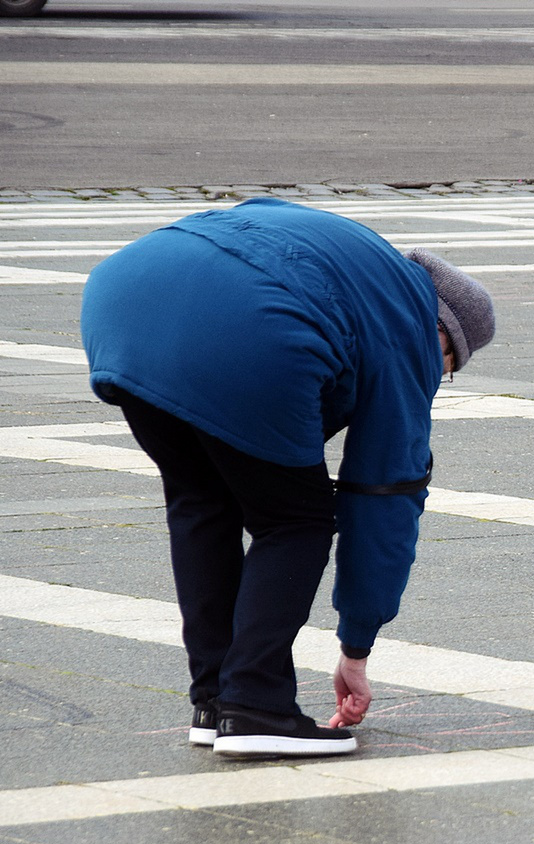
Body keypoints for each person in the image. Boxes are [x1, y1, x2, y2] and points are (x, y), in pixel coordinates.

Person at [80, 198, 495, 757]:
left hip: (121, 304)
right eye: (447, 368)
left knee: (203, 501)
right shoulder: (406, 325)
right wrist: (356, 645)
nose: (437, 380)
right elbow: (384, 494)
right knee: (295, 520)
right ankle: (255, 705)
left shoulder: (360, 272)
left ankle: (215, 700)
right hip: (249, 325)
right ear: (443, 337)